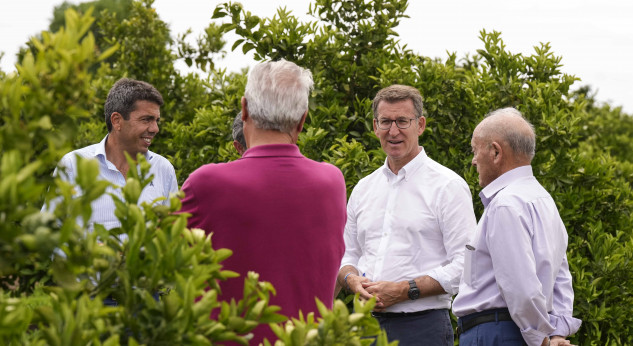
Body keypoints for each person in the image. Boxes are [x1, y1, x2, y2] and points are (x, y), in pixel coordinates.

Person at [179, 59, 347, 345]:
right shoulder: (331, 181)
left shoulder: (206, 183)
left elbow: (161, 260)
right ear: (303, 120)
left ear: (244, 109)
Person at [338, 84, 477, 345]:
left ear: (420, 125)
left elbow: (467, 264)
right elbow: (347, 253)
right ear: (374, 126)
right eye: (386, 122)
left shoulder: (448, 186)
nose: (393, 131)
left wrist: (405, 290)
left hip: (422, 328)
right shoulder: (363, 188)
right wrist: (351, 280)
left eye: (402, 121)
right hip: (364, 326)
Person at [452, 107, 581, 346]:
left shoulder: (505, 204)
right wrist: (557, 334)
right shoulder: (544, 201)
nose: (473, 160)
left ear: (495, 152)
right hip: (518, 333)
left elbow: (520, 286)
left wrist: (541, 340)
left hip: (497, 334)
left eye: (475, 150)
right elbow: (561, 276)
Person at [46, 78, 178, 236]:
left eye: (156, 120)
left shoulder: (163, 169)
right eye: (146, 119)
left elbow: (171, 234)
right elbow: (51, 232)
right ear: (117, 121)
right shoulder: (73, 165)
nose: (155, 128)